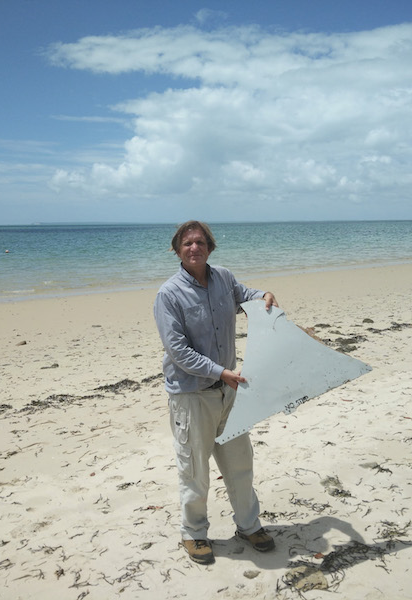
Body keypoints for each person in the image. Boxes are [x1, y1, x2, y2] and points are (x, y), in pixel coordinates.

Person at [154, 220, 278, 565]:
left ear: (210, 246)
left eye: (200, 242)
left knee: (240, 463)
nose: (194, 248)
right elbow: (178, 351)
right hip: (193, 395)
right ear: (177, 250)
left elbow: (245, 296)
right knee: (194, 469)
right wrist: (221, 372)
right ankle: (194, 534)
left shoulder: (223, 277)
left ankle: (249, 526)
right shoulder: (168, 294)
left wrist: (263, 295)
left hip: (230, 391)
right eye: (187, 243)